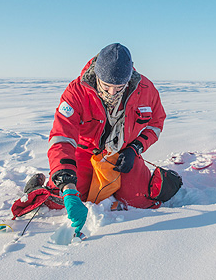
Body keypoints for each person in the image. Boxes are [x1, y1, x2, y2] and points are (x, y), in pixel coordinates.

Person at [47, 43, 166, 235]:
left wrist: (135, 147)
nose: (113, 92)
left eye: (119, 86)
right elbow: (62, 137)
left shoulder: (145, 89)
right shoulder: (76, 92)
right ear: (97, 76)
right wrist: (67, 185)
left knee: (140, 200)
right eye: (107, 86)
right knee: (62, 199)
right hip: (86, 151)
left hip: (124, 152)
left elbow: (156, 123)